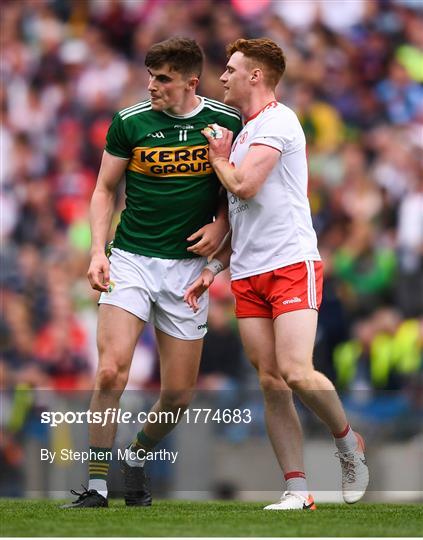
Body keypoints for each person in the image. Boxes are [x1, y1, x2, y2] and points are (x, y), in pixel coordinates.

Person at [185, 38, 369, 510]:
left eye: (230, 69)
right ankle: (297, 489)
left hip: (290, 264)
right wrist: (213, 267)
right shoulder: (243, 132)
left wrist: (219, 160)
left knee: (295, 371)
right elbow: (245, 216)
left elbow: (244, 184)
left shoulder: (279, 120)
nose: (221, 76)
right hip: (248, 272)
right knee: (270, 380)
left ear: (255, 76)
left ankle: (348, 441)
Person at [62, 37, 242, 509]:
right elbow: (104, 190)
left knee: (179, 395)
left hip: (186, 270)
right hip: (132, 259)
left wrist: (221, 225)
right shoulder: (129, 122)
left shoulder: (227, 122)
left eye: (162, 78)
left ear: (190, 81)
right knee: (109, 370)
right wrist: (97, 252)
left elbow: (237, 196)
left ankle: (135, 455)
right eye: (150, 76)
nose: (152, 86)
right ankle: (97, 486)